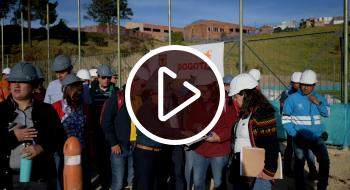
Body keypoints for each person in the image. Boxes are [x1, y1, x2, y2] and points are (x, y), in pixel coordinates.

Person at [0, 61, 63, 189]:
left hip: (39, 181)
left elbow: (60, 137)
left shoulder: (47, 111)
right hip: (8, 181)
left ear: (34, 85)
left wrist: (42, 147)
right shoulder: (1, 111)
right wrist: (12, 137)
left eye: (22, 81)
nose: (16, 85)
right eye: (13, 81)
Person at [183, 72, 235, 190]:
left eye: (204, 91)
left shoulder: (226, 103)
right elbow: (189, 120)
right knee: (198, 183)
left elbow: (231, 126)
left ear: (213, 88)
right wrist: (195, 126)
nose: (201, 95)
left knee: (219, 184)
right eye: (199, 91)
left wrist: (219, 137)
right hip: (200, 149)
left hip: (219, 151)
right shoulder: (197, 100)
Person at [228, 73, 279, 190]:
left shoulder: (262, 113)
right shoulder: (245, 112)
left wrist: (268, 171)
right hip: (242, 169)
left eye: (236, 96)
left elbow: (272, 145)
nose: (234, 100)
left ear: (245, 94)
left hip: (259, 172)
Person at [282, 70, 330, 190]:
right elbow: (285, 120)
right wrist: (294, 134)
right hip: (299, 138)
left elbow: (327, 113)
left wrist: (318, 103)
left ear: (314, 85)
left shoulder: (319, 97)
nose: (305, 88)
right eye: (303, 84)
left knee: (324, 161)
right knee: (299, 164)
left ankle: (322, 187)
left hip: (317, 137)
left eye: (308, 85)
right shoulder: (291, 99)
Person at [52, 74, 92, 189]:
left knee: (83, 181)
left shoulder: (85, 108)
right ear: (66, 90)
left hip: (82, 151)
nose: (79, 92)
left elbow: (89, 130)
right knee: (62, 180)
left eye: (80, 88)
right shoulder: (56, 107)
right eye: (75, 89)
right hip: (61, 152)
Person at [280, 72, 317, 178]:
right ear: (293, 83)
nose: (300, 85)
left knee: (308, 149)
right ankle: (289, 169)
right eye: (297, 83)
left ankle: (312, 171)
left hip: (304, 126)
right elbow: (283, 110)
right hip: (293, 126)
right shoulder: (287, 94)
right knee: (292, 148)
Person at [90, 64, 118, 190]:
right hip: (97, 132)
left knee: (110, 160)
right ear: (98, 78)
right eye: (103, 77)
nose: (106, 80)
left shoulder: (116, 92)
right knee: (99, 159)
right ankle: (103, 181)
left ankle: (110, 182)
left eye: (108, 77)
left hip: (110, 131)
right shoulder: (91, 92)